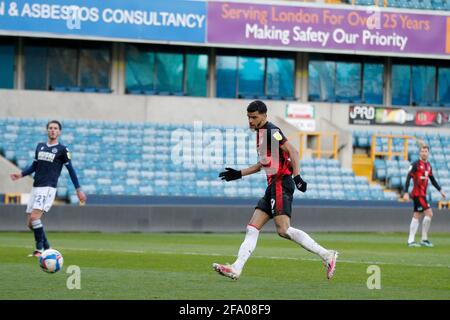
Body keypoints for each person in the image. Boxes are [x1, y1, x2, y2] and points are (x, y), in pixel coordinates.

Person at [212, 100, 338, 280]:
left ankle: (327, 254)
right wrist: (239, 173)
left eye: (254, 117)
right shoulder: (261, 134)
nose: (250, 121)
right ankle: (236, 268)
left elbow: (293, 151)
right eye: (248, 117)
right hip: (272, 185)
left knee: (283, 230)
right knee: (252, 228)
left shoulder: (272, 131)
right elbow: (263, 164)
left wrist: (297, 176)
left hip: (281, 183)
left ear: (264, 116)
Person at [10, 120, 86, 257]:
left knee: (34, 217)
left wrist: (78, 189)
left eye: (55, 128)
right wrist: (21, 174)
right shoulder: (40, 146)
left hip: (48, 188)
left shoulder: (63, 150)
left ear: (59, 132)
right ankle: (48, 247)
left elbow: (71, 170)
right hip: (36, 186)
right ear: (47, 130)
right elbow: (34, 166)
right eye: (50, 128)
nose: (52, 130)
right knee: (30, 223)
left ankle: (39, 250)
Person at [402, 144, 446, 247]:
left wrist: (440, 190)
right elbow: (408, 178)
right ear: (419, 153)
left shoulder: (429, 166)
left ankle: (411, 241)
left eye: (426, 151)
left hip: (423, 195)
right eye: (422, 151)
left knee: (417, 215)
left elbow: (432, 179)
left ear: (428, 153)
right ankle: (423, 239)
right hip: (417, 194)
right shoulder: (415, 164)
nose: (424, 153)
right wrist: (405, 192)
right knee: (429, 213)